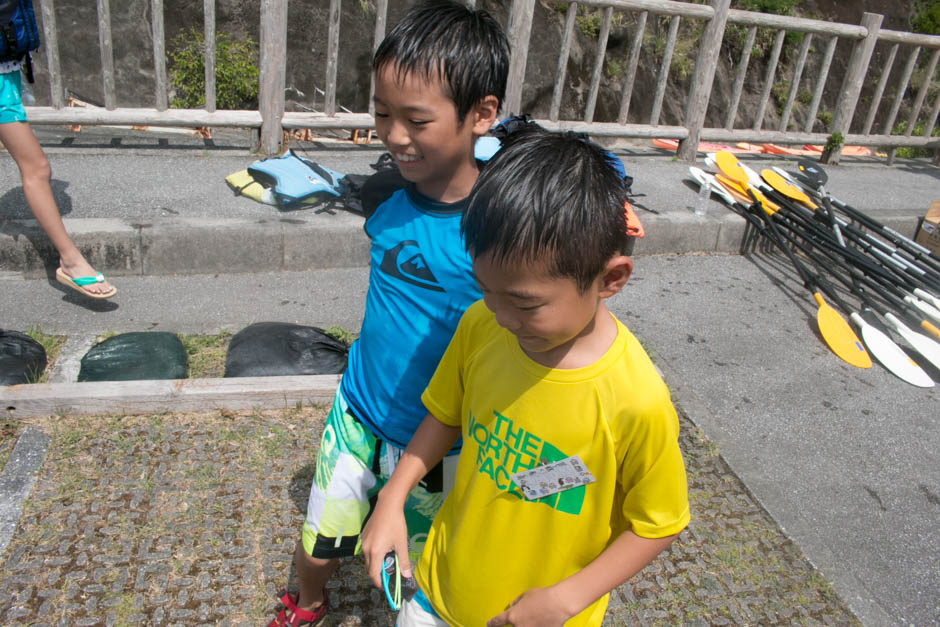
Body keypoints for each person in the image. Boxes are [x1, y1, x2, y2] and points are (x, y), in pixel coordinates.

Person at [361, 127, 690, 626]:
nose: (502, 316)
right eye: (486, 289)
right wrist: (393, 495)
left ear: (610, 280)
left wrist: (565, 599)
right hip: (437, 588)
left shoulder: (636, 401)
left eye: (525, 303)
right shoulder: (481, 325)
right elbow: (445, 414)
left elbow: (657, 524)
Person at [267, 1, 509, 624]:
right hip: (358, 413)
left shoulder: (504, 231)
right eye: (381, 113)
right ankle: (307, 600)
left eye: (416, 119)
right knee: (322, 539)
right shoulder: (383, 196)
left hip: (442, 442)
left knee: (414, 570)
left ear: (482, 114)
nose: (394, 135)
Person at [0, 58, 116, 299]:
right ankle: (71, 260)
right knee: (37, 168)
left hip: (6, 75)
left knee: (37, 169)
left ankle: (71, 260)